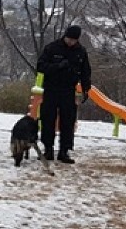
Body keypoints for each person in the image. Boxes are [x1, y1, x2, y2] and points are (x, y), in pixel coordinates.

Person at [36, 25, 91, 164]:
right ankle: (48, 149)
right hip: (51, 89)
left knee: (68, 121)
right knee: (48, 119)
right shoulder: (52, 48)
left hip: (68, 90)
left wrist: (86, 89)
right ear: (65, 36)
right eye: (69, 39)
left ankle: (64, 151)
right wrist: (57, 66)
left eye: (73, 40)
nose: (70, 42)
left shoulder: (81, 52)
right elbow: (40, 66)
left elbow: (85, 72)